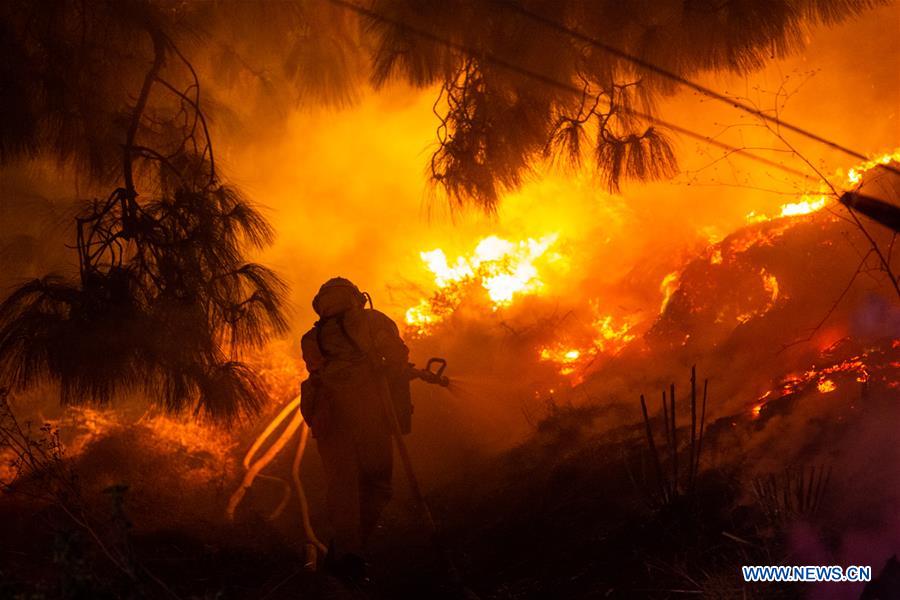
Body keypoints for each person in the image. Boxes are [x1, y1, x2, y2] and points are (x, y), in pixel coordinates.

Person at [299, 277, 410, 582]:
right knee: (377, 485)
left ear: (321, 305)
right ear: (356, 298)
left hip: (328, 416)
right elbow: (397, 357)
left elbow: (317, 370)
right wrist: (388, 371)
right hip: (370, 414)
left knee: (342, 486)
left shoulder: (311, 338)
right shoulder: (372, 320)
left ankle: (346, 553)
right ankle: (350, 554)